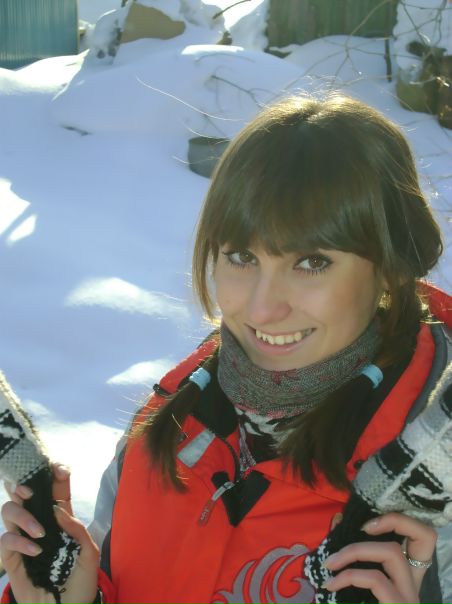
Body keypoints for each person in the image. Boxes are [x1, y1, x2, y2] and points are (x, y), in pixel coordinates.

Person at [1, 94, 451, 604]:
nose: (262, 309)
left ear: (391, 266)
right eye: (241, 256)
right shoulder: (166, 430)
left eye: (311, 262)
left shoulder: (432, 492)